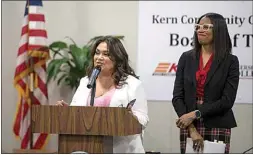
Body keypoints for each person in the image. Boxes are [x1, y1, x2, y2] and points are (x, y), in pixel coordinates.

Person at [56, 36, 149, 153]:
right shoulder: (86, 81)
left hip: (122, 149)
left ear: (117, 58)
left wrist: (130, 117)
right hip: (88, 147)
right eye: (97, 53)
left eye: (106, 54)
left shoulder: (133, 84)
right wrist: (68, 111)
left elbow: (143, 119)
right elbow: (78, 112)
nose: (99, 58)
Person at [172, 13, 239, 154]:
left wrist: (196, 113)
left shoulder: (231, 61)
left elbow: (227, 101)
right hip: (190, 125)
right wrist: (191, 127)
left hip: (217, 122)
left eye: (206, 26)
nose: (200, 30)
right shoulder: (186, 58)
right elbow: (177, 97)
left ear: (218, 30)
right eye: (198, 26)